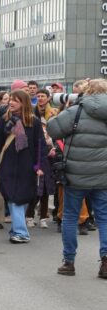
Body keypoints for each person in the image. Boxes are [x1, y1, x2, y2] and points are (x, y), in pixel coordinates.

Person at [47, 79, 107, 277]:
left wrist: (66, 108)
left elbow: (52, 129)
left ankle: (69, 262)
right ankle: (106, 262)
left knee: (71, 218)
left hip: (75, 176)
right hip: (103, 176)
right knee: (105, 219)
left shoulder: (76, 111)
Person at [0, 90, 48, 244]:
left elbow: (40, 145)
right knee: (11, 196)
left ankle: (18, 230)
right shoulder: (5, 120)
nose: (12, 102)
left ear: (24, 103)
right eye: (11, 100)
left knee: (21, 197)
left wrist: (40, 166)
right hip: (7, 164)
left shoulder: (34, 122)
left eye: (16, 100)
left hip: (27, 165)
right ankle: (20, 231)